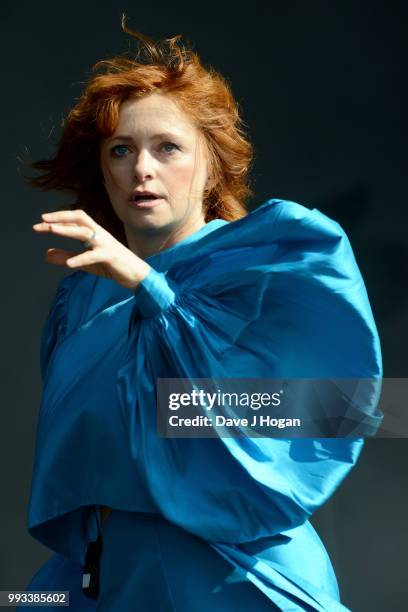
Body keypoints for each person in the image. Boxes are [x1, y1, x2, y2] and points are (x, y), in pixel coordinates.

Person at [19, 15, 383, 612]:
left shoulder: (258, 273)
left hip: (228, 576)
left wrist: (153, 291)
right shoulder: (81, 296)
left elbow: (347, 409)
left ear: (211, 163)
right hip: (102, 574)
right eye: (121, 149)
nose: (142, 169)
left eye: (168, 148)